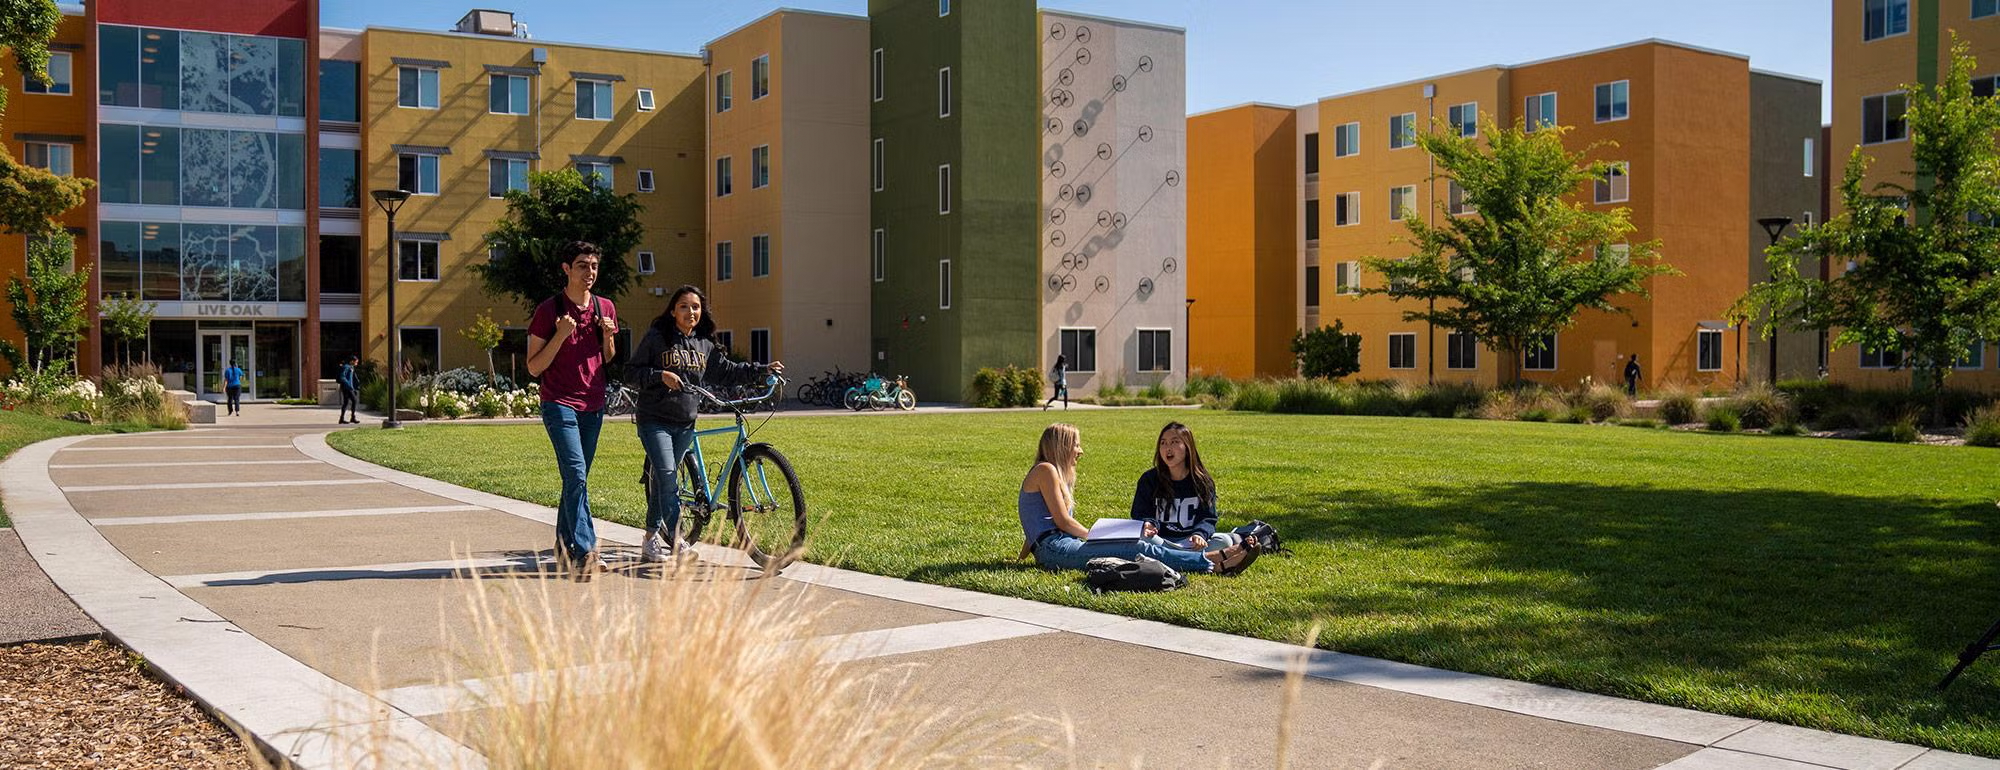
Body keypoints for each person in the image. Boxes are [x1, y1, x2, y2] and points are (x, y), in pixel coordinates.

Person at [624, 284, 782, 563]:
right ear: (673, 311)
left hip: (685, 422)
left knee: (665, 481)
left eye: (695, 307)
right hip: (655, 420)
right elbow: (631, 373)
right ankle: (677, 542)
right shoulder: (657, 337)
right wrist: (660, 375)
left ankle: (650, 539)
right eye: (683, 306)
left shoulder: (704, 344)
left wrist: (762, 370)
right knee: (668, 478)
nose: (690, 312)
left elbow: (728, 372)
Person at [1018, 423, 1257, 577]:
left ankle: (1214, 557)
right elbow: (1061, 522)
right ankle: (1213, 562)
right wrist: (1096, 535)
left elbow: (1037, 522)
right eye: (1076, 445)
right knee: (1134, 547)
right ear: (1061, 446)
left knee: (1140, 545)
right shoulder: (1046, 470)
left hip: (1055, 547)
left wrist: (1023, 557)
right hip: (1057, 548)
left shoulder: (1047, 472)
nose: (1080, 451)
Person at [525, 241, 620, 581]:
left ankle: (565, 549)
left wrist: (608, 337)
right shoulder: (549, 310)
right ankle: (587, 549)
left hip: (593, 405)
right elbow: (534, 367)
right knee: (577, 475)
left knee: (574, 480)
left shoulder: (604, 306)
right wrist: (561, 335)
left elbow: (607, 358)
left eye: (594, 265)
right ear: (566, 268)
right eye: (582, 265)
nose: (589, 272)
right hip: (558, 402)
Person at [1131, 421, 1240, 552]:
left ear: (1188, 447)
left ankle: (1170, 556)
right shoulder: (1149, 479)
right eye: (1163, 443)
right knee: (1141, 539)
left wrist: (1199, 534)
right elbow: (1139, 512)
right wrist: (1148, 524)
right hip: (1159, 539)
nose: (1168, 448)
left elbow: (1208, 518)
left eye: (1174, 442)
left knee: (1224, 541)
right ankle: (1190, 558)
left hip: (1189, 541)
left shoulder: (1202, 481)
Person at [337, 354, 361, 424]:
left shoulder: (351, 367)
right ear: (352, 361)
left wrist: (355, 386)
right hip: (347, 388)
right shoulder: (346, 367)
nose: (357, 363)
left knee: (346, 403)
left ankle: (342, 418)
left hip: (348, 387)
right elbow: (342, 377)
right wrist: (348, 385)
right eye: (356, 362)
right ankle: (352, 418)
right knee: (354, 401)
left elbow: (352, 379)